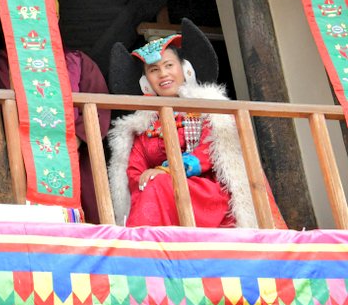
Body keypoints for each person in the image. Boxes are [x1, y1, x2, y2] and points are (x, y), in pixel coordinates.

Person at [106, 18, 284, 228]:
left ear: (186, 70)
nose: (163, 74)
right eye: (153, 70)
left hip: (208, 193)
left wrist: (167, 171)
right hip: (160, 195)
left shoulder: (208, 108)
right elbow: (135, 170)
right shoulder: (143, 126)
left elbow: (209, 151)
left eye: (169, 65)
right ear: (146, 82)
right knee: (153, 186)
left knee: (159, 183)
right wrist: (149, 178)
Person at [0, 12, 109, 221]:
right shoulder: (7, 60)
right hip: (28, 153)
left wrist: (77, 137)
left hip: (75, 152)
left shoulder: (77, 61)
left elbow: (99, 106)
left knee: (85, 213)